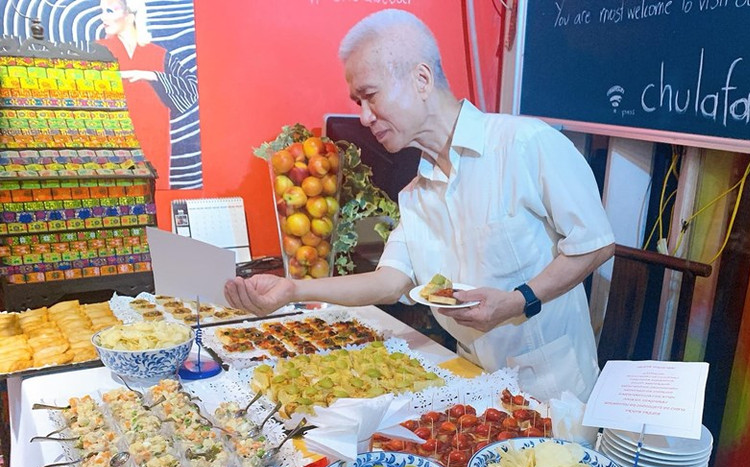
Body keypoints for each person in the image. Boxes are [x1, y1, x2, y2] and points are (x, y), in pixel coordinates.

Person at [224, 9, 614, 402]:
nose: (364, 117)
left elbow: (596, 242)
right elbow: (390, 281)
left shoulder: (525, 143)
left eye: (370, 95)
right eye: (358, 101)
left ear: (422, 79)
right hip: (474, 386)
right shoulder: (415, 194)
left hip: (553, 392)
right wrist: (292, 289)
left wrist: (517, 300)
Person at [96, 0, 198, 189]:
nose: (103, 17)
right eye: (101, 11)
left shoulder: (159, 54)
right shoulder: (96, 50)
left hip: (153, 140)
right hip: (111, 140)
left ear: (130, 14)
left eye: (109, 10)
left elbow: (191, 87)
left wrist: (148, 75)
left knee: (152, 195)